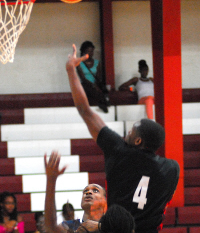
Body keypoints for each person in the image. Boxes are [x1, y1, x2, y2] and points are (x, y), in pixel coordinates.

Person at [65, 44, 180, 233]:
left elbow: (85, 111)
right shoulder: (172, 169)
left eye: (132, 130)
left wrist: (71, 70)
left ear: (138, 141)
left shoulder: (118, 150)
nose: (127, 132)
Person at [44, 151, 107, 233]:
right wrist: (51, 180)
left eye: (95, 190)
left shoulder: (112, 226)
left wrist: (100, 227)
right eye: (85, 191)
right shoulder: (70, 226)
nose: (88, 193)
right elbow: (51, 227)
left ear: (105, 201)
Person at [76, 41, 110, 113]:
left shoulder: (97, 63)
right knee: (90, 89)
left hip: (95, 84)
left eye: (92, 51)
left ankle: (104, 102)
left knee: (103, 89)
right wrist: (93, 85)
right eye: (88, 51)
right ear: (83, 52)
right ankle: (102, 102)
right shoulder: (79, 63)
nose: (90, 53)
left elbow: (98, 77)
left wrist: (96, 85)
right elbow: (83, 78)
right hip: (85, 85)